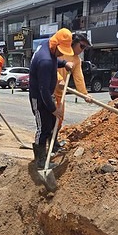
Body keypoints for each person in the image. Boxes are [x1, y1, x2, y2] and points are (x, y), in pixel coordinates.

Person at [28, 27, 73, 168]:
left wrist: (64, 63)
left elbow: (55, 60)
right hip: (39, 97)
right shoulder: (45, 60)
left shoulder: (47, 45)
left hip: (46, 94)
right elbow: (43, 91)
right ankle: (40, 161)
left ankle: (49, 151)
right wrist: (53, 108)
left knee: (52, 123)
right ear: (56, 44)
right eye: (61, 51)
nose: (61, 54)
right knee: (43, 127)